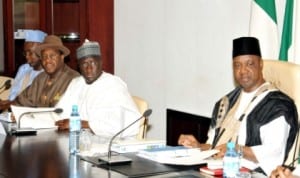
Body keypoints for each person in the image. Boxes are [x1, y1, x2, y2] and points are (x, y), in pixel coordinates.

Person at [178, 37, 298, 176]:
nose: (243, 71)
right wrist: (198, 146)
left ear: (260, 64)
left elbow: (273, 152)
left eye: (249, 64)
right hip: (216, 172)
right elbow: (215, 148)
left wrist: (238, 150)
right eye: (237, 65)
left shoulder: (278, 106)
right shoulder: (225, 102)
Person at [55, 39, 141, 138]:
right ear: (79, 67)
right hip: (82, 141)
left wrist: (80, 124)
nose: (89, 69)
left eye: (92, 63)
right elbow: (60, 112)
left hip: (111, 145)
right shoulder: (77, 83)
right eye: (84, 64)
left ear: (100, 62)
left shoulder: (114, 84)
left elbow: (123, 125)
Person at [11, 35, 80, 107]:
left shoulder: (74, 79)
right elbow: (22, 100)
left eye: (52, 56)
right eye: (44, 57)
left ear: (62, 57)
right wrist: (11, 107)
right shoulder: (40, 78)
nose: (47, 60)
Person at [0, 30, 46, 110]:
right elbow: (13, 95)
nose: (27, 57)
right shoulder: (24, 68)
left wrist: (9, 105)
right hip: (11, 111)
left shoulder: (48, 74)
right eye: (25, 53)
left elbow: (34, 102)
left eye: (30, 53)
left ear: (42, 52)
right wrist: (5, 102)